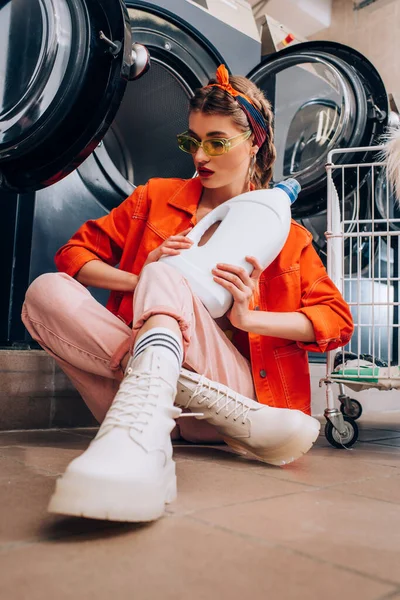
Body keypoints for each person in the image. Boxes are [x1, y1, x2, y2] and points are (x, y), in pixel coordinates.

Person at [22, 65, 353, 523]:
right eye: (191, 141)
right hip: (148, 404)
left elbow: (336, 320)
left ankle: (143, 442)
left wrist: (250, 319)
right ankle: (155, 417)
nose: (200, 155)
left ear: (253, 141)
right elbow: (74, 254)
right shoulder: (154, 198)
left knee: (167, 277)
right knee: (43, 293)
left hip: (220, 410)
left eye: (216, 142)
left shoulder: (286, 233)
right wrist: (144, 274)